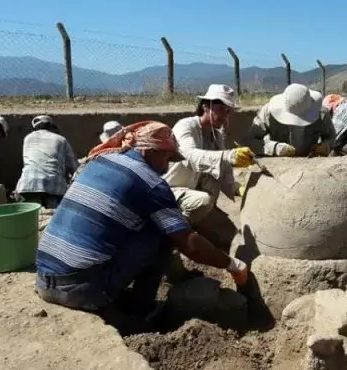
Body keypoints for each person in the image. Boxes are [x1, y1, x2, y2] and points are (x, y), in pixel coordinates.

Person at [34, 120, 250, 323]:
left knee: (141, 226)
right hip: (80, 290)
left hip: (44, 278)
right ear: (149, 150)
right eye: (166, 158)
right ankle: (139, 313)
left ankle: (120, 293)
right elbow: (189, 244)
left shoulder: (101, 161)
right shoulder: (151, 183)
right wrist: (232, 265)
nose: (167, 168)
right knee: (164, 234)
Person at [163, 84, 254, 225]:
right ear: (206, 106)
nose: (224, 115)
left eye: (228, 111)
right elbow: (189, 156)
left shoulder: (216, 136)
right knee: (203, 201)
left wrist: (237, 188)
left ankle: (192, 227)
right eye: (220, 110)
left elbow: (224, 172)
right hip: (171, 194)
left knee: (229, 237)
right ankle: (172, 233)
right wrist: (228, 156)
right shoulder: (186, 126)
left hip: (195, 197)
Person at [245, 83, 335, 157]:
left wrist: (326, 146)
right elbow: (250, 140)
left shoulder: (321, 113)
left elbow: (331, 136)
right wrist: (274, 148)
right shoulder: (268, 113)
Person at [14, 115, 78, 210]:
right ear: (52, 126)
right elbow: (74, 168)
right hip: (54, 187)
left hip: (26, 186)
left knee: (30, 219)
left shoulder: (27, 138)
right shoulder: (61, 139)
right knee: (53, 219)